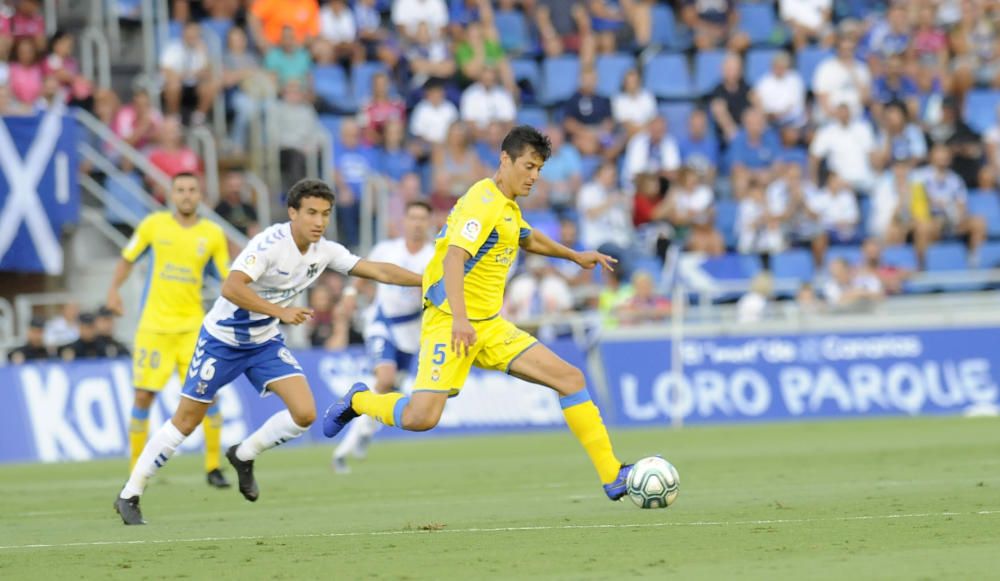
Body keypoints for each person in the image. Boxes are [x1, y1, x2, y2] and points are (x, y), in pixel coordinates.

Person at [322, 126, 635, 502]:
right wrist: (458, 318)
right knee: (422, 417)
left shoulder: (506, 206)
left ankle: (612, 475)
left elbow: (526, 237)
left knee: (569, 378)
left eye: (539, 169)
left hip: (489, 325)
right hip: (450, 321)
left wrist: (574, 255)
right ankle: (359, 400)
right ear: (505, 159)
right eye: (529, 166)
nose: (534, 176)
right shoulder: (481, 203)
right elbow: (455, 258)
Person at [114, 179, 423, 525]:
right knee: (186, 420)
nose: (319, 221)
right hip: (223, 340)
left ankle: (243, 454)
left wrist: (426, 279)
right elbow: (232, 286)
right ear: (292, 213)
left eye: (325, 214)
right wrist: (281, 313)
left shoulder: (326, 251)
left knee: (304, 413)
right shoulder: (270, 244)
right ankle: (131, 492)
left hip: (263, 342)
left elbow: (379, 270)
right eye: (310, 213)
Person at [106, 173, 233, 490]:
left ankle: (213, 466)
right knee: (143, 396)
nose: (186, 195)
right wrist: (113, 290)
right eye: (180, 190)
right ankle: (137, 470)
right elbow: (127, 258)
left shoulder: (212, 233)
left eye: (192, 190)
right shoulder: (153, 225)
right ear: (171, 195)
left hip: (192, 329)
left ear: (199, 195)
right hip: (154, 328)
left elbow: (228, 278)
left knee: (206, 395)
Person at [332, 200, 435, 472]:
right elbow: (362, 274)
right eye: (412, 217)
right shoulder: (387, 249)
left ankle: (363, 434)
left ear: (429, 223)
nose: (416, 223)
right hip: (383, 322)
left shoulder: (435, 256)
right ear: (404, 221)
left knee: (387, 389)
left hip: (413, 331)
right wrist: (351, 294)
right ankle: (342, 453)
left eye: (422, 219)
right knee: (385, 378)